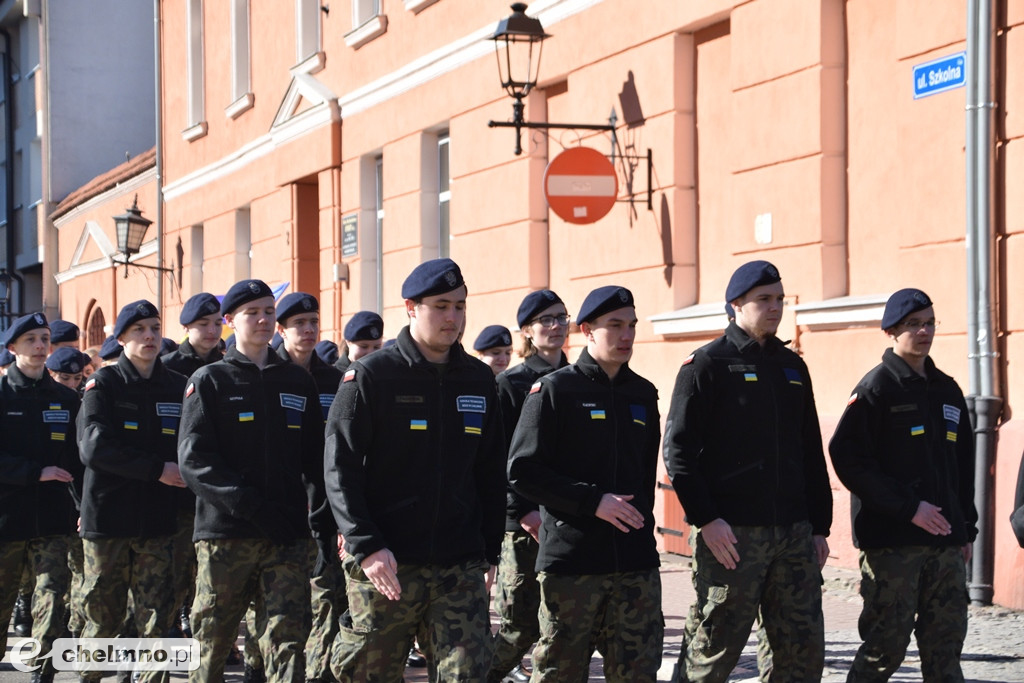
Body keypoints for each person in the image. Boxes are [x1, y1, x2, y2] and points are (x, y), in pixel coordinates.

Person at [324, 258, 505, 681]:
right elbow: (340, 466)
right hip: (388, 564)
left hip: (459, 564)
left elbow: (491, 470)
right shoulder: (372, 376)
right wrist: (366, 545)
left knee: (468, 673)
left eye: (460, 306)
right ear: (411, 307)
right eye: (441, 306)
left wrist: (490, 550)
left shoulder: (479, 380)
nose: (453, 317)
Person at [663, 260, 832, 683]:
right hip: (733, 536)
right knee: (712, 653)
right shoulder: (707, 365)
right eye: (764, 300)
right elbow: (678, 452)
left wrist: (819, 527)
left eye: (779, 299)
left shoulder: (793, 367)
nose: (775, 308)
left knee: (800, 653)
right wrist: (706, 519)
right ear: (736, 304)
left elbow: (811, 449)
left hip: (793, 533)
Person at [506, 286, 662, 682]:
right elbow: (523, 470)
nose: (626, 335)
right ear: (588, 330)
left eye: (631, 325)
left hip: (634, 562)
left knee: (638, 671)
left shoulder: (643, 394)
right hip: (573, 564)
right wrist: (593, 502)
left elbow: (644, 476)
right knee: (560, 672)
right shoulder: (555, 390)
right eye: (615, 326)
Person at [178, 279, 325, 683]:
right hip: (227, 535)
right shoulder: (210, 381)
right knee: (213, 638)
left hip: (287, 535)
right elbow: (194, 461)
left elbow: (315, 460)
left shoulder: (297, 382)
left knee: (287, 638)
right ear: (229, 321)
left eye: (268, 311)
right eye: (252, 313)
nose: (262, 319)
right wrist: (248, 505)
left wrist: (320, 520)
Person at [829, 288, 978, 682]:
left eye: (930, 322)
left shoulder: (946, 389)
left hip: (945, 543)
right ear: (892, 331)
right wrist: (908, 507)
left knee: (945, 649)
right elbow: (849, 459)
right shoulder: (876, 388)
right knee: (884, 649)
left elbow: (962, 464)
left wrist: (966, 528)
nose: (925, 331)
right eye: (914, 324)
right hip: (892, 544)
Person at [77, 300, 188, 683]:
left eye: (155, 328)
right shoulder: (103, 384)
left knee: (156, 617)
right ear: (121, 338)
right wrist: (156, 469)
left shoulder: (177, 386)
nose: (150, 336)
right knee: (101, 619)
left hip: (158, 521)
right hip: (108, 521)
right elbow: (94, 448)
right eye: (140, 330)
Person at [488, 289, 571, 683]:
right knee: (520, 624)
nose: (556, 327)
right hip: (525, 525)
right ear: (527, 331)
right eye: (546, 321)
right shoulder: (511, 383)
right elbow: (498, 456)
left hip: (567, 518)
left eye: (561, 318)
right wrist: (520, 511)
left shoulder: (578, 379)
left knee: (561, 623)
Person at [0, 313, 81, 683]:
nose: (39, 345)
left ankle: (42, 674)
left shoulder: (65, 398)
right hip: (7, 520)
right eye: (30, 339)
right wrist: (34, 472)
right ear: (12, 348)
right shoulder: (3, 395)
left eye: (45, 338)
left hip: (53, 519)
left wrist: (84, 508)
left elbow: (78, 460)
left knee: (52, 601)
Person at [271, 292, 345, 683]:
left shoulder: (333, 378)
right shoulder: (268, 374)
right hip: (281, 507)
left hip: (326, 508)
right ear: (281, 329)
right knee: (284, 609)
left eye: (314, 321)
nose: (309, 329)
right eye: (299, 323)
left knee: (328, 600)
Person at [161, 292, 226, 641]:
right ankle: (172, 624)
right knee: (177, 565)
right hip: (178, 484)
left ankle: (204, 631)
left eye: (218, 323)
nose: (213, 330)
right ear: (187, 328)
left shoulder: (228, 363)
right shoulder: (169, 367)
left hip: (215, 483)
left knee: (209, 571)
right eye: (204, 324)